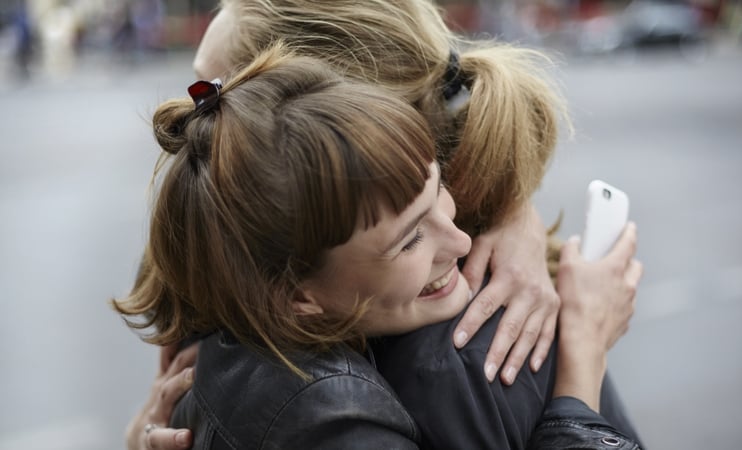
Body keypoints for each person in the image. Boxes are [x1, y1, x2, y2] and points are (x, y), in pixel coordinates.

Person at [115, 46, 643, 450]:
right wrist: (582, 357)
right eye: (411, 237)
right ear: (297, 296)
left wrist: (515, 214)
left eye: (440, 190)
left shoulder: (232, 317)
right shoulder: (335, 423)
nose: (460, 241)